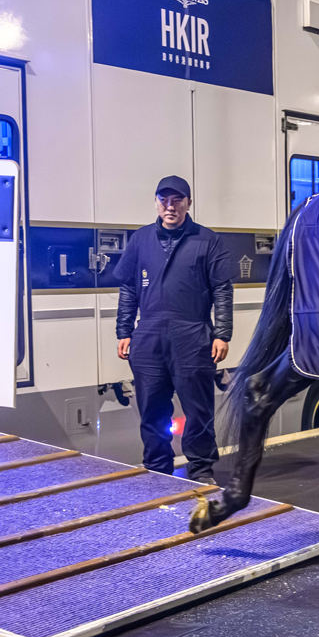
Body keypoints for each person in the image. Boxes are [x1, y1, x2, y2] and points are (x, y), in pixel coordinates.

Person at [115, 176, 234, 485]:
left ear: (188, 204)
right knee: (152, 411)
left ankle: (202, 472)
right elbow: (128, 289)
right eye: (164, 200)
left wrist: (222, 333)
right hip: (148, 337)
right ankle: (157, 472)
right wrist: (124, 331)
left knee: (198, 411)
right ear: (156, 203)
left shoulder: (207, 240)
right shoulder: (140, 240)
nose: (170, 206)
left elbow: (222, 289)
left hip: (193, 335)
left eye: (177, 200)